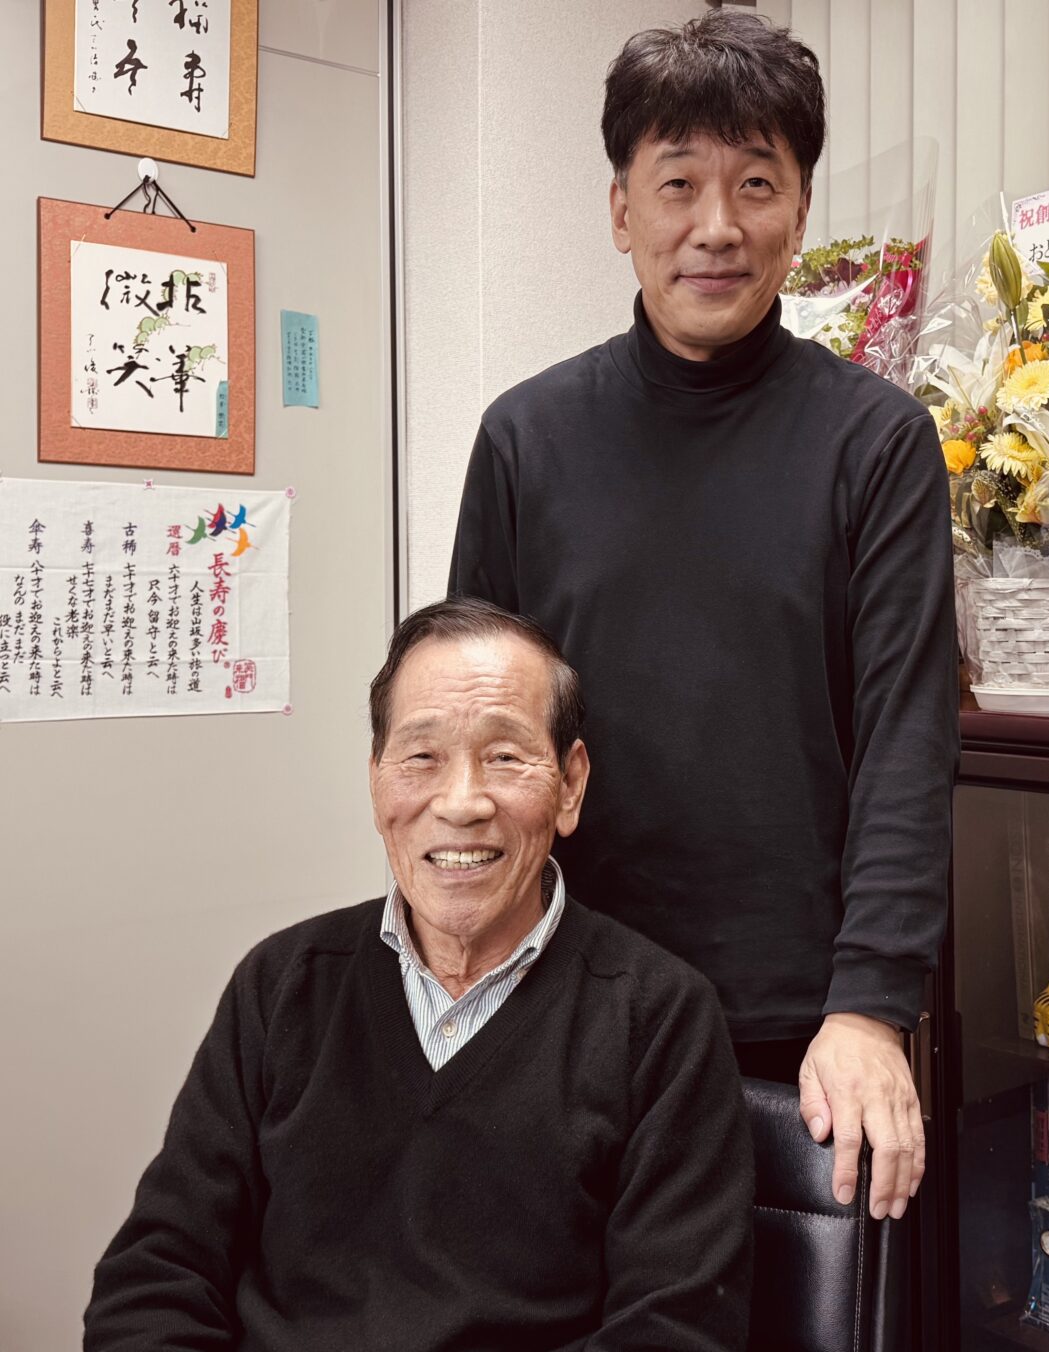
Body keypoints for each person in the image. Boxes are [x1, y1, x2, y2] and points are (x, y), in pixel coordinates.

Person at [448, 9, 957, 1223]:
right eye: (678, 183)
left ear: (801, 210)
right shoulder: (526, 439)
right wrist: (460, 951)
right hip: (561, 991)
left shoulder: (877, 443)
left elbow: (907, 736)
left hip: (803, 1023)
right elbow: (477, 728)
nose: (717, 225)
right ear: (621, 209)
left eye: (756, 184)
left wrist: (871, 1003)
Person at [85, 597, 752, 1352]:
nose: (461, 803)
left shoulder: (659, 1018)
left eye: (505, 756)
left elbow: (677, 1328)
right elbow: (155, 1279)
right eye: (421, 757)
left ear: (569, 785)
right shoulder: (282, 985)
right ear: (376, 782)